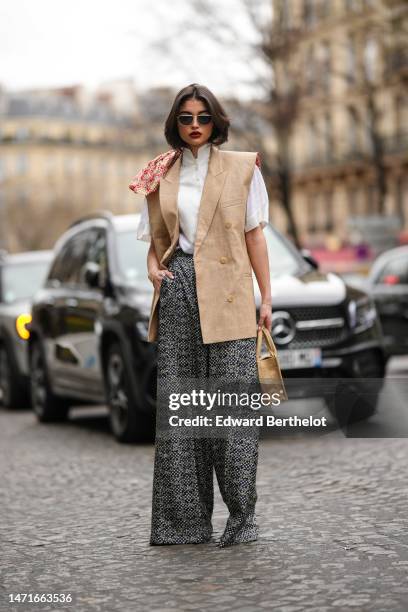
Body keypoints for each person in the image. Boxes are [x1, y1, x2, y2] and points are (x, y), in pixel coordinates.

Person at [129, 83, 272, 548]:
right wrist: (155, 272)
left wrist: (266, 298)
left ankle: (242, 518)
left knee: (231, 414)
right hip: (178, 291)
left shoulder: (241, 167)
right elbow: (155, 245)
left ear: (216, 122)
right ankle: (182, 524)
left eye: (203, 117)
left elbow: (254, 236)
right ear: (175, 122)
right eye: (186, 117)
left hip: (230, 292)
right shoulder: (158, 172)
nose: (194, 125)